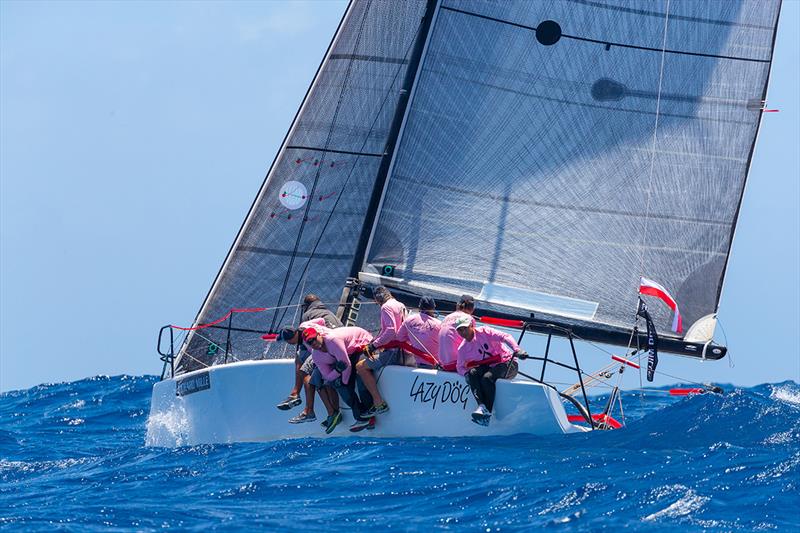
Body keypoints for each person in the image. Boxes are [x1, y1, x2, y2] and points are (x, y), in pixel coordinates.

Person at [276, 295, 343, 421]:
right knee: (309, 369)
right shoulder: (327, 312)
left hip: (328, 350)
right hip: (338, 342)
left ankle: (307, 405)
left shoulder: (307, 317)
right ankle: (300, 398)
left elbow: (316, 352)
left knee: (308, 374)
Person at [455, 314, 528, 426]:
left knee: (486, 378)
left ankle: (487, 412)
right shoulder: (463, 348)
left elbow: (505, 336)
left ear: (471, 325)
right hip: (489, 367)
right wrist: (466, 375)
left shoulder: (484, 331)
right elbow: (459, 367)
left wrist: (517, 350)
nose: (463, 332)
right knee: (472, 373)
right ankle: (481, 406)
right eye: (459, 330)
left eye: (465, 328)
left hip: (508, 363)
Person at [305, 326, 376, 433]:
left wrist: (344, 381)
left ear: (319, 335)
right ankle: (362, 417)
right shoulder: (316, 356)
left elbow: (346, 364)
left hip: (362, 344)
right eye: (310, 342)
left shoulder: (332, 340)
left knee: (358, 376)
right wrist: (338, 372)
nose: (313, 343)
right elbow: (328, 376)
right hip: (349, 354)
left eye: (314, 338)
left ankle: (370, 412)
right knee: (339, 385)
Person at [356, 285, 407, 415]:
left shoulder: (386, 307)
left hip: (393, 352)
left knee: (360, 366)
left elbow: (390, 331)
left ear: (378, 298)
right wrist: (374, 342)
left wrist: (373, 346)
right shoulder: (400, 304)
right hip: (403, 351)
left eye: (375, 300)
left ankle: (378, 403)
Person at [395, 296, 442, 369]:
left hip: (414, 362)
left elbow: (399, 337)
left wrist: (413, 338)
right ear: (433, 308)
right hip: (434, 365)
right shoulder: (439, 324)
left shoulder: (409, 320)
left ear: (419, 307)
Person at [437, 294, 476, 371]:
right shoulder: (469, 319)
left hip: (443, 364)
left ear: (458, 305)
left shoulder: (446, 317)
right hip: (457, 364)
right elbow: (473, 342)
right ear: (472, 309)